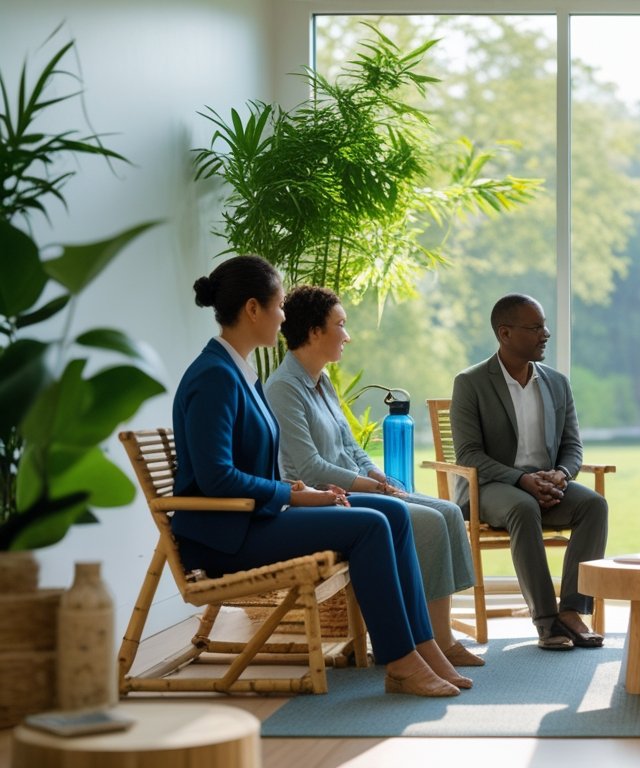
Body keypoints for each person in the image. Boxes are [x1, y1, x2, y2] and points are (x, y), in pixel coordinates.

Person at [173, 255, 470, 697]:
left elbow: (246, 467)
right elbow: (217, 478)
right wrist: (292, 495)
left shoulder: (239, 372)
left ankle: (422, 645)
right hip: (226, 533)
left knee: (391, 510)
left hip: (252, 516)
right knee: (370, 524)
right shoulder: (215, 377)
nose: (284, 317)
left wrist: (296, 490)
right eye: (278, 306)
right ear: (253, 309)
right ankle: (401, 662)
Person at [265, 285, 483, 667]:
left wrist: (378, 474)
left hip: (359, 487)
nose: (347, 335)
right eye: (340, 325)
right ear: (315, 332)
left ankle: (440, 636)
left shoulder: (322, 382)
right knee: (429, 523)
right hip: (326, 498)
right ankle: (426, 641)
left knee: (449, 511)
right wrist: (373, 486)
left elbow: (350, 446)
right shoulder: (284, 388)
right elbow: (311, 467)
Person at [450, 293, 608, 651]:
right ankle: (545, 620)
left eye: (545, 325)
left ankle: (572, 610)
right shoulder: (471, 383)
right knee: (524, 506)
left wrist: (562, 475)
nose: (546, 334)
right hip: (491, 487)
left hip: (548, 484)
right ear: (505, 333)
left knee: (594, 505)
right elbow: (469, 455)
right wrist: (521, 480)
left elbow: (573, 446)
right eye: (535, 327)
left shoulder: (557, 383)